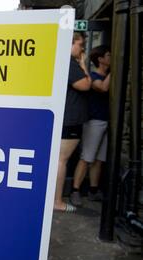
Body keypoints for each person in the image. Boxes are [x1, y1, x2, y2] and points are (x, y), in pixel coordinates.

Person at [54, 32, 92, 213]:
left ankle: (55, 199)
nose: (82, 48)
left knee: (60, 159)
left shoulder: (65, 62)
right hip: (70, 119)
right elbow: (85, 84)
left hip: (68, 118)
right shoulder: (69, 63)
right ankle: (57, 201)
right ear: (69, 44)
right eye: (79, 44)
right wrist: (84, 65)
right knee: (61, 160)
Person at [70, 45, 111, 206]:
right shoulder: (93, 77)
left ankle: (93, 190)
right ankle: (75, 190)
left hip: (104, 121)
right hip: (94, 121)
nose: (110, 58)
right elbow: (103, 87)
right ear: (100, 59)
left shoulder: (102, 75)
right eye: (108, 55)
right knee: (87, 157)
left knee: (99, 159)